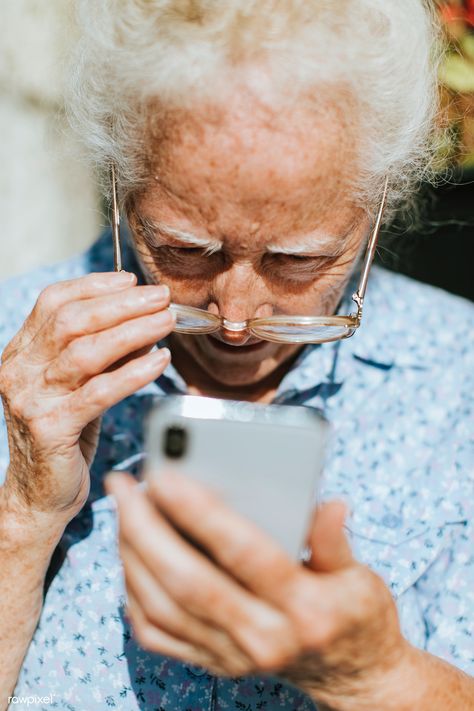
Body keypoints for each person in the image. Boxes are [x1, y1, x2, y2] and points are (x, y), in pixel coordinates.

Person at [0, 1, 473, 709]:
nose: (236, 318)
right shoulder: (16, 349)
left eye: (297, 259)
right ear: (119, 184)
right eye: (185, 249)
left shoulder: (458, 379)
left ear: (376, 204)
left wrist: (376, 674)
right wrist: (25, 515)